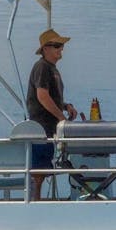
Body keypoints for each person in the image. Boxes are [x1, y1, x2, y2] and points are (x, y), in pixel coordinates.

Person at [26, 28, 78, 197]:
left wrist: (65, 106)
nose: (60, 49)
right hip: (41, 127)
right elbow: (42, 96)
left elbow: (51, 96)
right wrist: (61, 117)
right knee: (38, 170)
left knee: (44, 166)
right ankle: (35, 201)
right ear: (45, 49)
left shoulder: (52, 68)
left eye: (61, 45)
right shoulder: (42, 66)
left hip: (49, 127)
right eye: (56, 45)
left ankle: (38, 200)